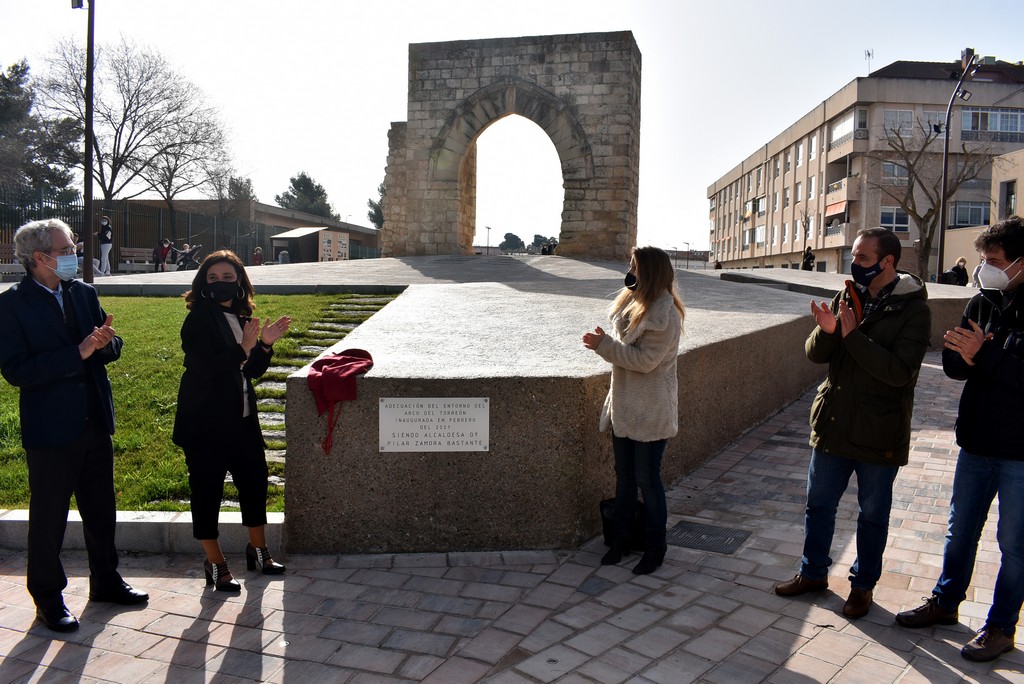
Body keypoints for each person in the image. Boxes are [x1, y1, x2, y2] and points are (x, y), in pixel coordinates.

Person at [774, 227, 931, 619]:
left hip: (879, 432)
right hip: (834, 423)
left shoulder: (913, 309)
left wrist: (853, 336)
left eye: (862, 258)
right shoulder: (848, 294)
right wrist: (828, 333)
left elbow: (900, 372)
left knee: (873, 514)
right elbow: (815, 354)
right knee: (819, 505)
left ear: (888, 261)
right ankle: (812, 574)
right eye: (855, 256)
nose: (854, 263)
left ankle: (862, 587)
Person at [0, 219, 147, 633]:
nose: (75, 252)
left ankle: (106, 580)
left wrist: (104, 343)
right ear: (39, 258)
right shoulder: (11, 305)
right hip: (51, 428)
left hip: (94, 419)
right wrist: (78, 352)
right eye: (67, 248)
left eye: (75, 246)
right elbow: (16, 370)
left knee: (101, 510)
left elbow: (111, 345)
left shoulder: (84, 293)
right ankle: (48, 597)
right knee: (49, 517)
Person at [895, 216, 1024, 662]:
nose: (985, 268)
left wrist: (983, 353)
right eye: (984, 259)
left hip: (1020, 453)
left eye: (994, 261)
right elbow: (952, 366)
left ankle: (1001, 626)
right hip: (976, 440)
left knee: (1014, 544)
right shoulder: (982, 302)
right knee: (960, 530)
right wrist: (967, 356)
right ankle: (946, 604)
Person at [173, 250, 292, 591]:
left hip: (242, 420)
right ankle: (215, 561)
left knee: (255, 483)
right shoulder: (197, 320)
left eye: (228, 278)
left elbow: (250, 371)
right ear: (203, 284)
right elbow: (207, 368)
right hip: (206, 425)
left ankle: (259, 550)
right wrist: (244, 348)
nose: (221, 284)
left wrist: (264, 345)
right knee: (207, 491)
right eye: (214, 279)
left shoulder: (242, 320)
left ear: (240, 282)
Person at [582, 246, 684, 575]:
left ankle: (656, 547)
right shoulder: (631, 303)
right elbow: (627, 352)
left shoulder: (663, 316)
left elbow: (645, 361)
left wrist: (604, 347)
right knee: (624, 479)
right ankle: (620, 539)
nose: (630, 271)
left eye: (635, 266)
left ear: (650, 272)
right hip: (625, 407)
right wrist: (606, 342)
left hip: (651, 412)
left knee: (648, 481)